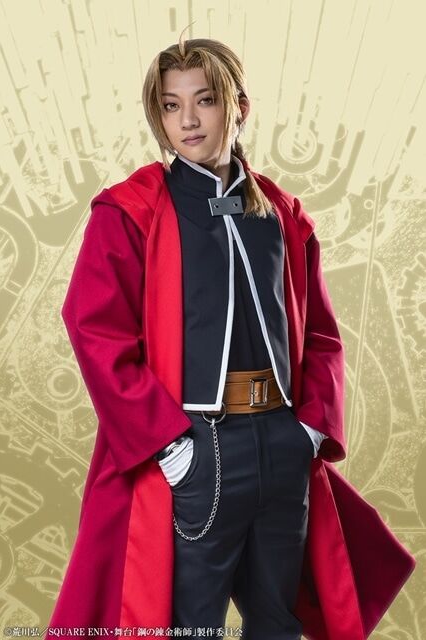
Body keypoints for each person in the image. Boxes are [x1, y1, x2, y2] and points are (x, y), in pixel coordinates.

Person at [46, 31, 415, 640]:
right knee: (191, 627)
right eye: (171, 105)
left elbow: (321, 334)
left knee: (278, 623)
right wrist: (174, 451)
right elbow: (95, 332)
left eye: (205, 100)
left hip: (282, 441)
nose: (188, 120)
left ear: (238, 107)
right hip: (198, 447)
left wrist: (308, 431)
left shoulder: (283, 213)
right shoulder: (131, 211)